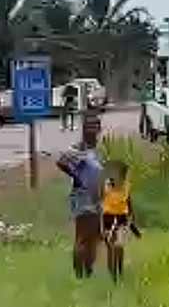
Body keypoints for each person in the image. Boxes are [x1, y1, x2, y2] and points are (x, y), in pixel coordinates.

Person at [57, 120, 103, 278]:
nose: (92, 131)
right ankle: (79, 273)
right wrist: (77, 176)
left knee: (94, 236)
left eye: (95, 127)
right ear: (83, 130)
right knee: (83, 236)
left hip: (96, 196)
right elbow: (61, 161)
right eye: (89, 128)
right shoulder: (79, 147)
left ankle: (88, 271)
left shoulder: (95, 149)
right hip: (83, 195)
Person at [100, 159, 142, 283]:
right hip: (109, 218)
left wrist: (131, 217)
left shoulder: (124, 187)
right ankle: (113, 273)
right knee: (111, 247)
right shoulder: (108, 185)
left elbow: (129, 203)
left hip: (120, 219)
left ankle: (118, 272)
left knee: (118, 247)